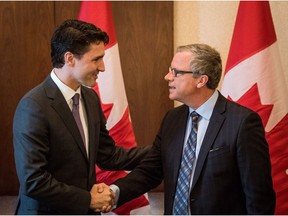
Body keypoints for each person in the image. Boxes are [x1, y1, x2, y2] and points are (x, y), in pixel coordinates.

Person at [112, 43, 276, 214]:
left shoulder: (242, 122)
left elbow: (258, 194)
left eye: (176, 72)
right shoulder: (172, 119)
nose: (167, 77)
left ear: (201, 80)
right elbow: (151, 170)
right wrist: (114, 192)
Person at [13, 19, 149, 215]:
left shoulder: (90, 97)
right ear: (69, 59)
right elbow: (33, 180)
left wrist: (162, 150)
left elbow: (108, 155)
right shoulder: (34, 106)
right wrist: (88, 199)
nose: (102, 67)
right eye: (96, 59)